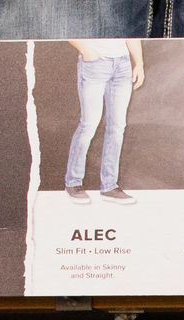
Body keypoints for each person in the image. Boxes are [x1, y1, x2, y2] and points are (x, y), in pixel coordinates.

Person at [64, 39, 144, 205]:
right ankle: (73, 183)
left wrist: (139, 62)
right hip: (95, 63)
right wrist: (87, 51)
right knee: (89, 125)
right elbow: (66, 27)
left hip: (123, 63)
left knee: (117, 128)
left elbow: (132, 29)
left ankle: (109, 186)